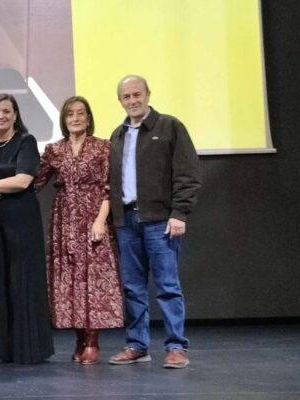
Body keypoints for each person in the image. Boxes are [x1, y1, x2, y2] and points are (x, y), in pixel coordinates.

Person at [107, 75, 201, 369]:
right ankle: (137, 345)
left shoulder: (169, 126)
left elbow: (187, 173)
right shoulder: (117, 135)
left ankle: (176, 347)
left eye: (137, 94)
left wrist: (179, 213)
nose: (132, 100)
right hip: (127, 221)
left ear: (148, 94)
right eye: (126, 96)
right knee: (132, 287)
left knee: (167, 285)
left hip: (159, 220)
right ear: (120, 101)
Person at [0, 93, 54, 364]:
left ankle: (26, 349)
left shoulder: (26, 142)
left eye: (6, 111)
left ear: (15, 116)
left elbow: (23, 181)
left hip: (20, 215)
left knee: (21, 279)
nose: (1, 115)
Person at [33, 96, 123, 364]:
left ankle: (93, 341)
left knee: (93, 278)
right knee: (71, 279)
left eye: (80, 113)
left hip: (93, 215)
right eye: (70, 113)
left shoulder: (103, 147)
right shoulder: (54, 150)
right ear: (64, 119)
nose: (75, 118)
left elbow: (109, 186)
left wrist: (100, 220)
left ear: (88, 118)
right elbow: (34, 181)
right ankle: (79, 339)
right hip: (65, 221)